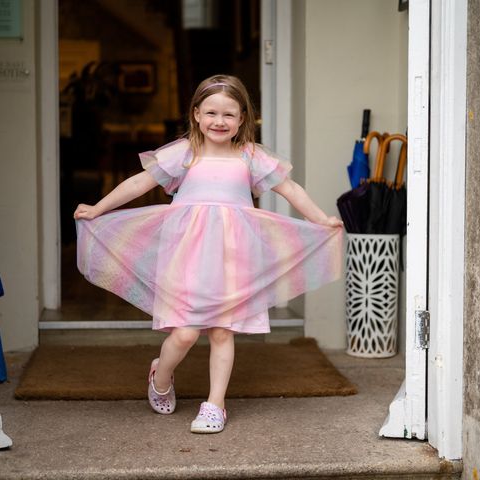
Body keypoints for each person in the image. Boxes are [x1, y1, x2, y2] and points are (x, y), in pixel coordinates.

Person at [74, 74, 343, 434]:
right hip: (186, 255)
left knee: (222, 331)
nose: (220, 121)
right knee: (184, 333)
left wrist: (321, 218)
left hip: (233, 258)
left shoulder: (250, 156)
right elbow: (140, 183)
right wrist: (99, 208)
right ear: (196, 114)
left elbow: (289, 189)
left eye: (229, 115)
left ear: (242, 119)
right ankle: (161, 375)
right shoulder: (185, 153)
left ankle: (215, 404)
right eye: (212, 113)